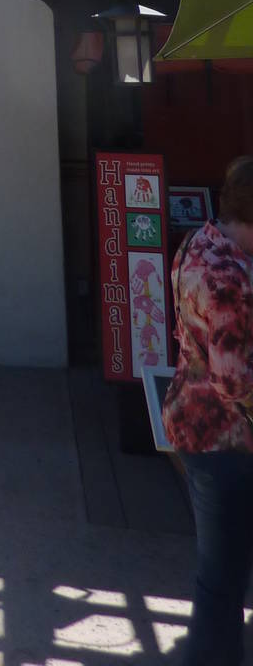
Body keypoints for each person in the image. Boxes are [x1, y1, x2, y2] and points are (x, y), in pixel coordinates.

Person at [163, 156, 253, 665]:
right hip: (225, 439)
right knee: (222, 578)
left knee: (220, 569)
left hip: (194, 421)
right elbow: (235, 381)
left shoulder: (200, 242)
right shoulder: (228, 280)